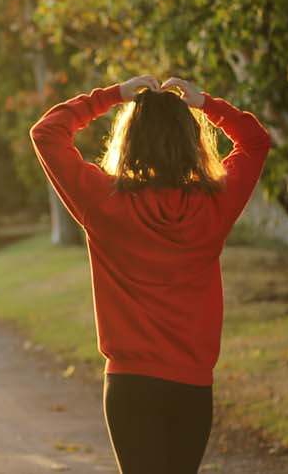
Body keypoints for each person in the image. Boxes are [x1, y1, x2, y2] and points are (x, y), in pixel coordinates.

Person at [29, 74, 272, 473]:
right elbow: (256, 141)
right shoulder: (214, 205)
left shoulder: (103, 201)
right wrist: (206, 104)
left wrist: (113, 96)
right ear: (191, 143)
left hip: (130, 384)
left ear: (130, 141)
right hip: (192, 385)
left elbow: (47, 133)